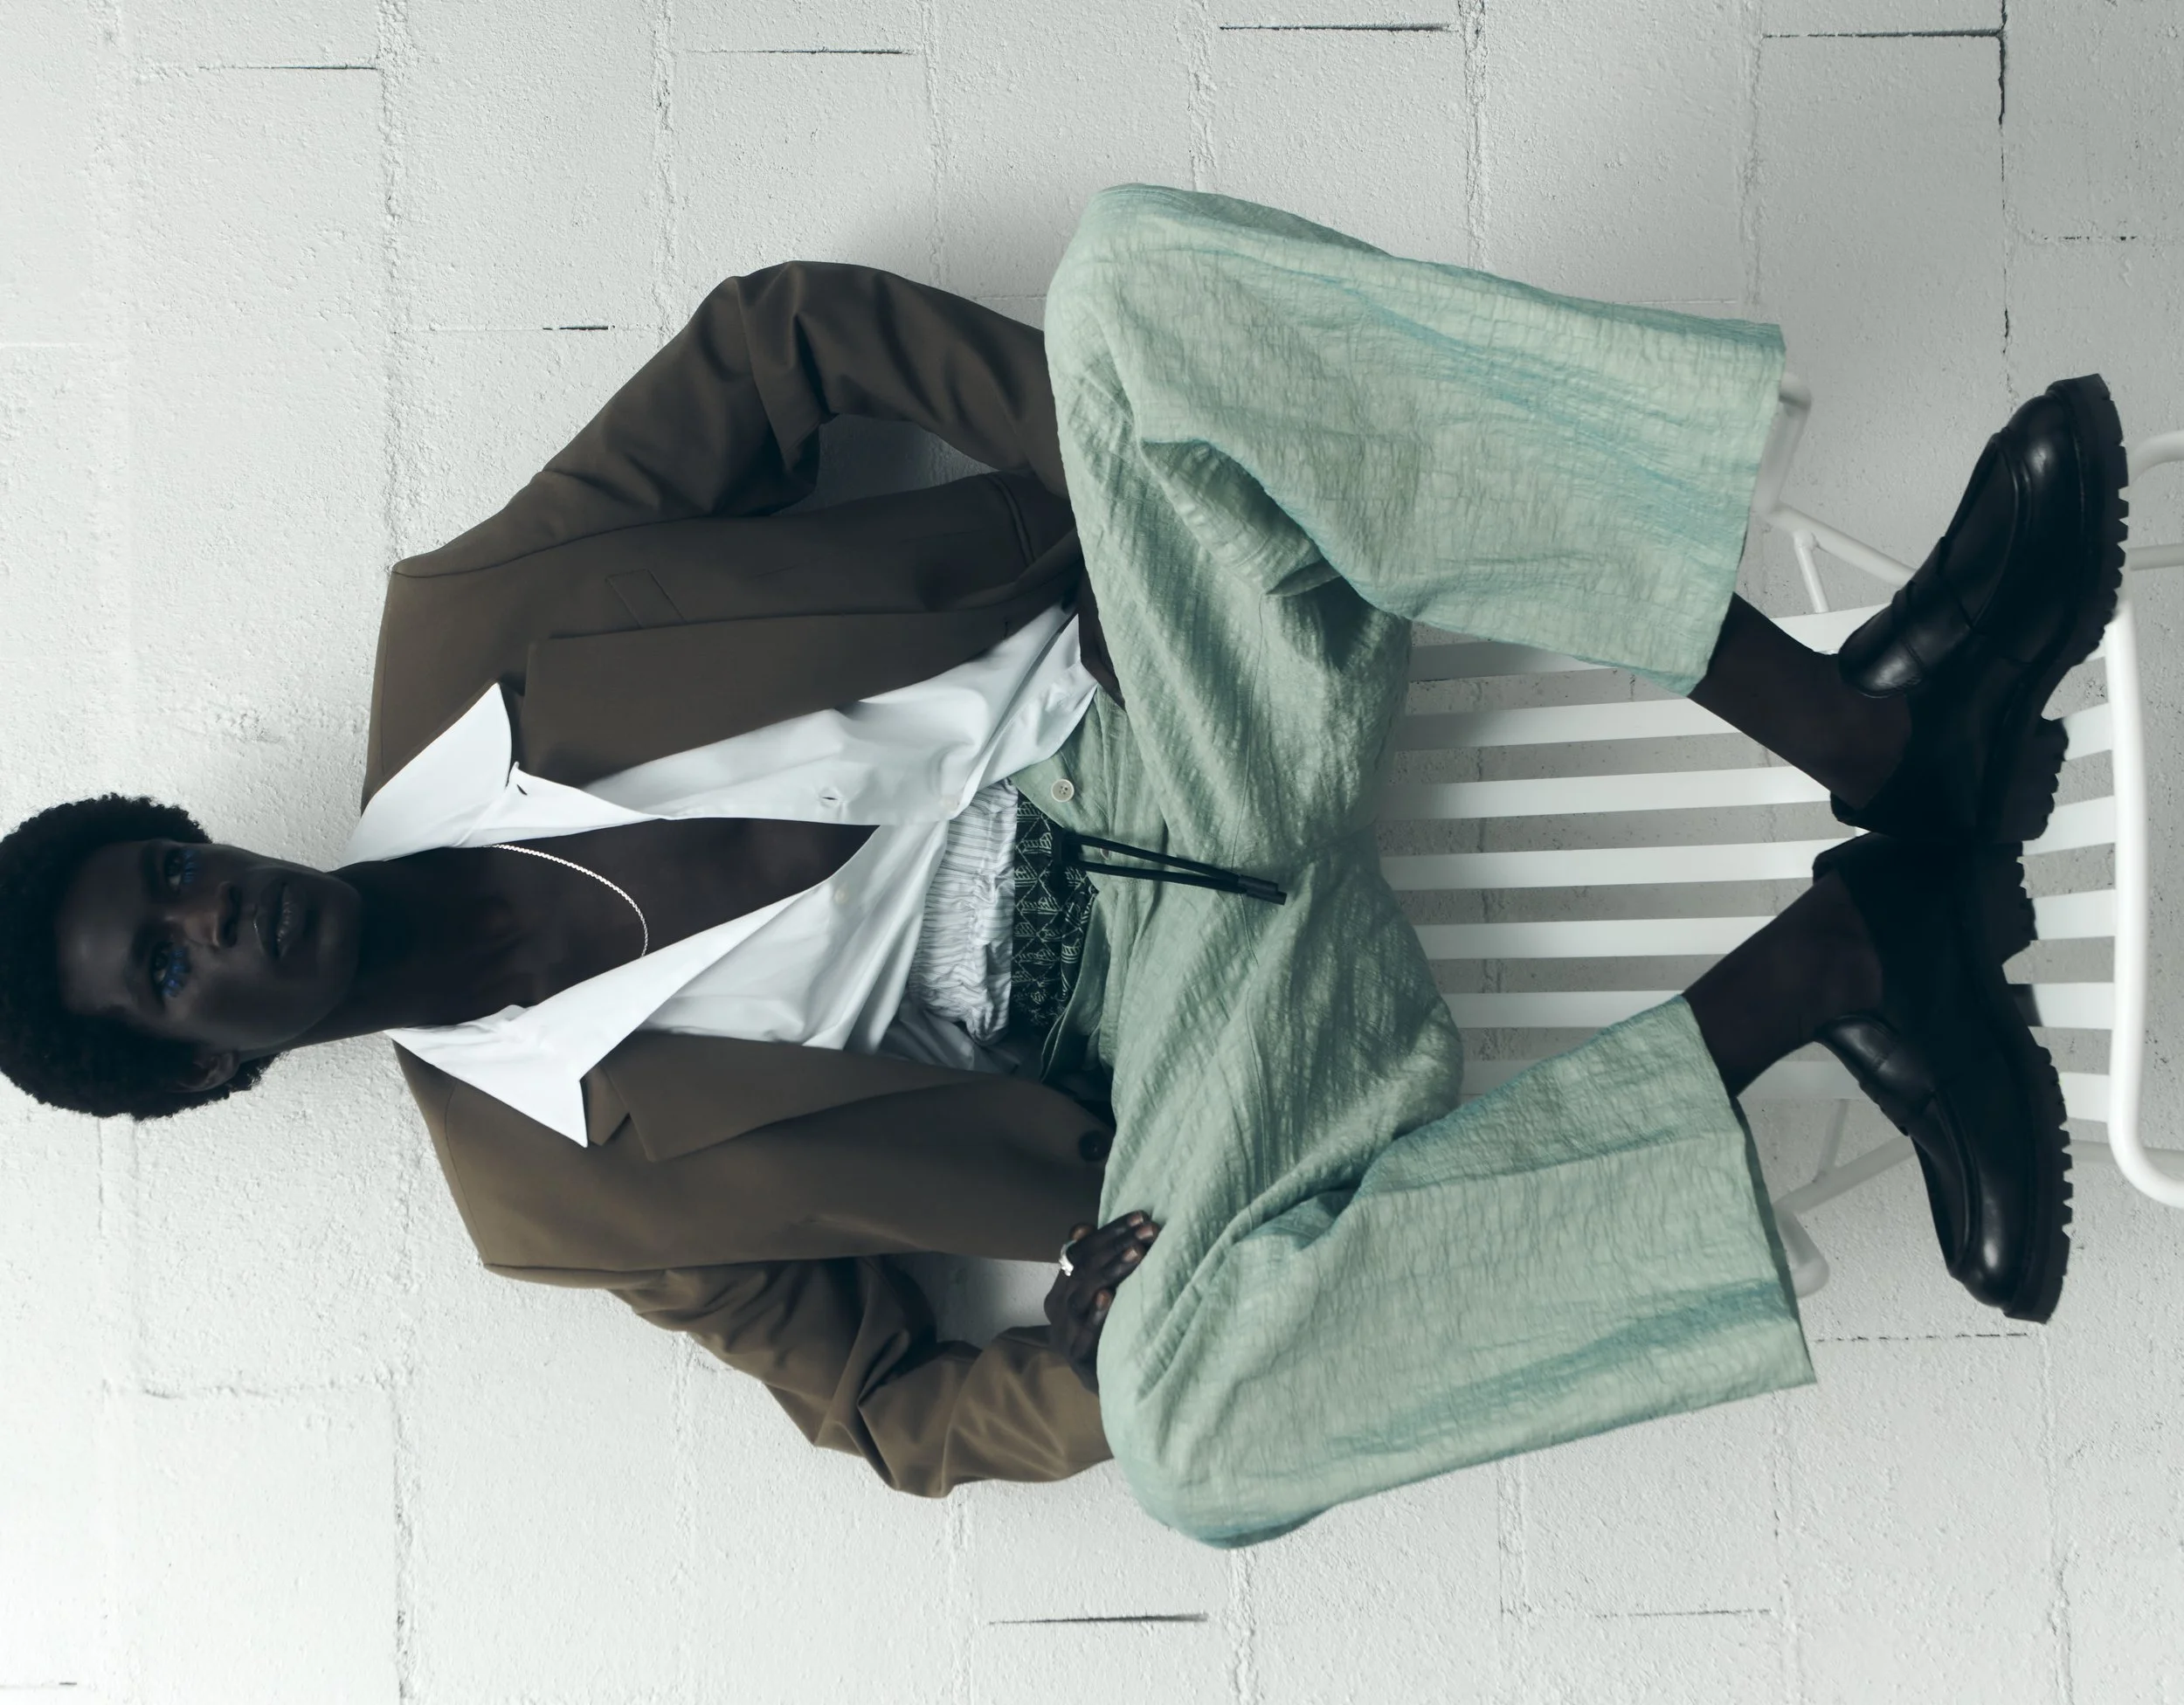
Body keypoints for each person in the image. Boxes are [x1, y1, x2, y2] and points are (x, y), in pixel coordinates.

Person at [0, 186, 2121, 1548]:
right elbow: (901, 1415)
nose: (214, 923)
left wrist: (1097, 509)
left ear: (197, 840)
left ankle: (1870, 722)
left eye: (170, 883)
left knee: (1127, 292)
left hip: (1153, 683)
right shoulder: (544, 1198)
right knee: (1183, 1446)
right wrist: (1078, 1343)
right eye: (167, 981)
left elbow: (781, 342)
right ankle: (1841, 973)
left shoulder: (465, 630)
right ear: (208, 1078)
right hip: (1187, 1046)